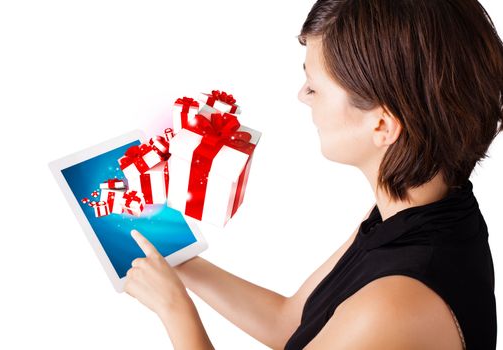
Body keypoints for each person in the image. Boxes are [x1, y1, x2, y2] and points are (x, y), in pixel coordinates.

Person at [123, 0, 503, 348]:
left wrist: (175, 309)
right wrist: (183, 261)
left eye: (316, 86)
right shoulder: (418, 212)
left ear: (383, 126)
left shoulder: (395, 301)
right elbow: (290, 322)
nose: (303, 95)